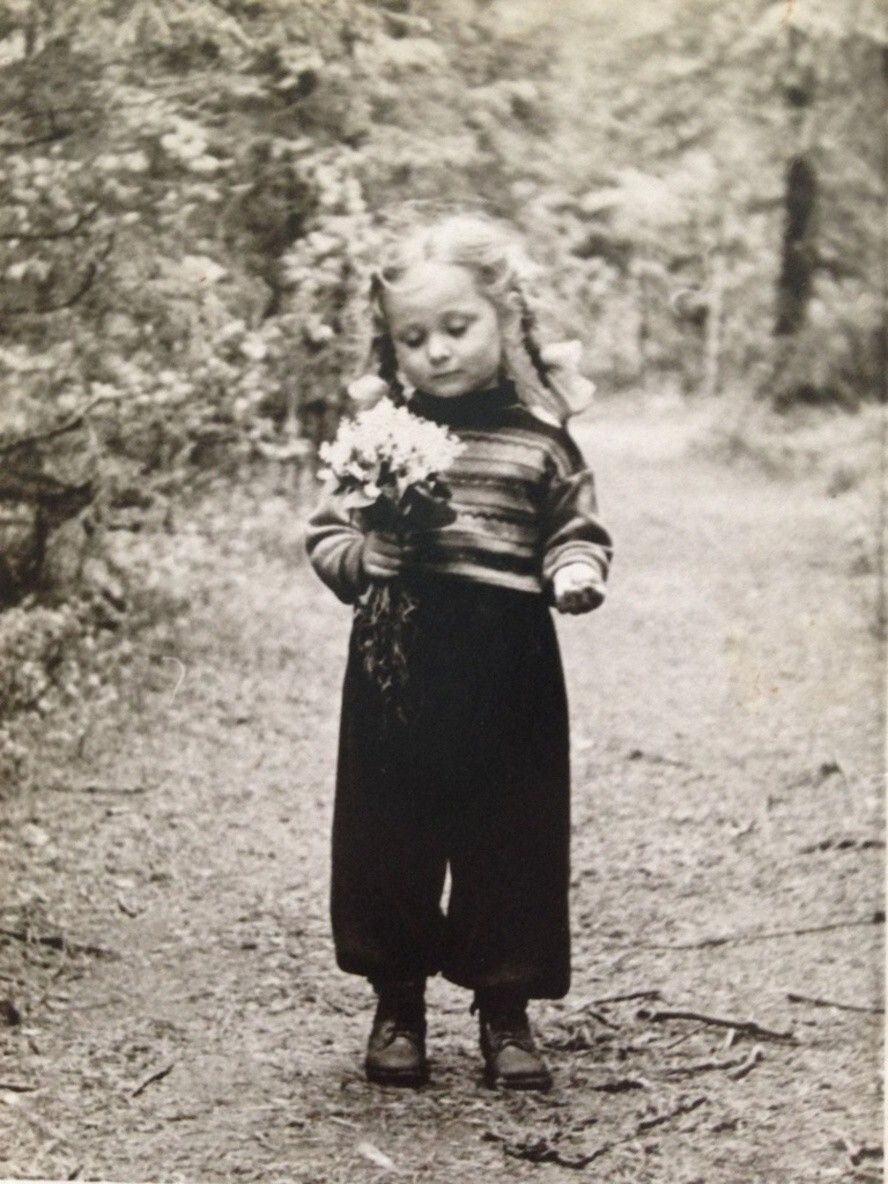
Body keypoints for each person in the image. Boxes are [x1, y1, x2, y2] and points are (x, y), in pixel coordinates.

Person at [305, 214, 613, 1091]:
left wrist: (575, 569)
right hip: (397, 662)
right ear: (391, 344)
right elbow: (327, 532)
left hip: (509, 664)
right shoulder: (377, 434)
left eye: (457, 326)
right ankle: (397, 1003)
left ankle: (505, 1008)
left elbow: (574, 526)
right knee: (389, 830)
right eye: (414, 338)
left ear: (504, 318)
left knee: (510, 831)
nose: (437, 351)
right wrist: (364, 556)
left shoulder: (540, 437)